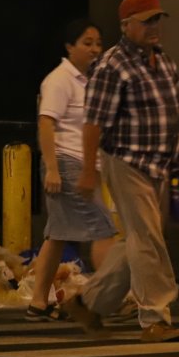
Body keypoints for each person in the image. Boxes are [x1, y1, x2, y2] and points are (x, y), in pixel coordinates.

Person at [61, 0, 179, 343]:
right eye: (146, 20)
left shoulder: (162, 61)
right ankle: (154, 318)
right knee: (148, 239)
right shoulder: (113, 66)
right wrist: (90, 170)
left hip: (157, 164)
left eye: (156, 19)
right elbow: (94, 123)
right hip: (126, 162)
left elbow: (170, 101)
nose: (154, 27)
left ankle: (88, 302)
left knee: (138, 240)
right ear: (126, 25)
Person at [26, 19, 116, 322]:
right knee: (104, 228)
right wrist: (52, 169)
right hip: (67, 164)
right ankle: (110, 297)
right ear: (69, 47)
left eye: (98, 43)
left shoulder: (89, 81)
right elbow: (46, 123)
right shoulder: (60, 79)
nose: (94, 49)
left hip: (79, 163)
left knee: (58, 233)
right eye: (86, 43)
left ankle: (38, 303)